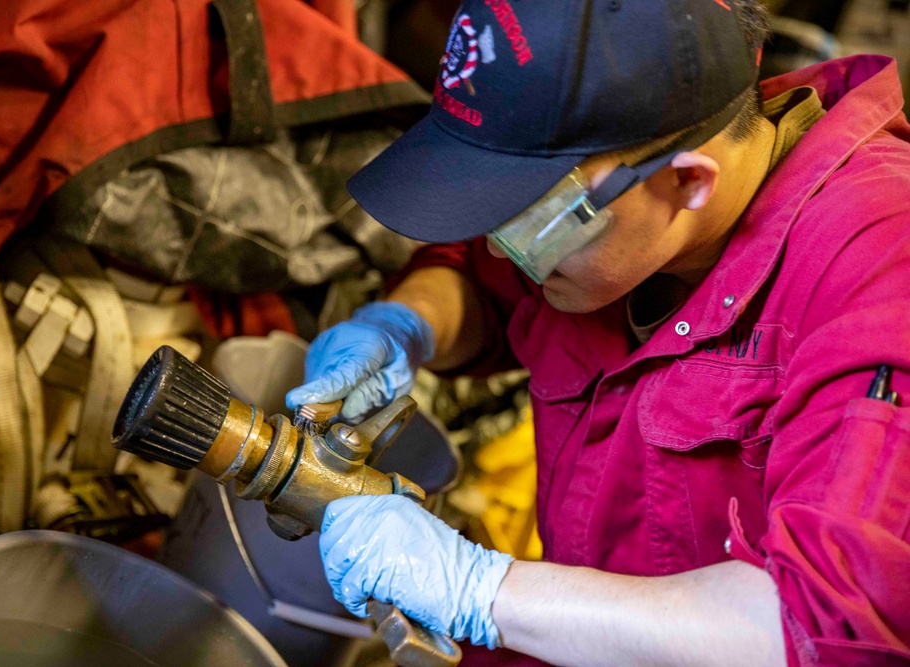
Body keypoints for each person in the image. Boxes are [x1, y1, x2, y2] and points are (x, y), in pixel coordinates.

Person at [285, 0, 910, 664]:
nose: (502, 251)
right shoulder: (614, 222)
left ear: (687, 181)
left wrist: (480, 589)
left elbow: (823, 630)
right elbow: (483, 281)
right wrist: (406, 323)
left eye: (527, 222)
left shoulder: (878, 273)